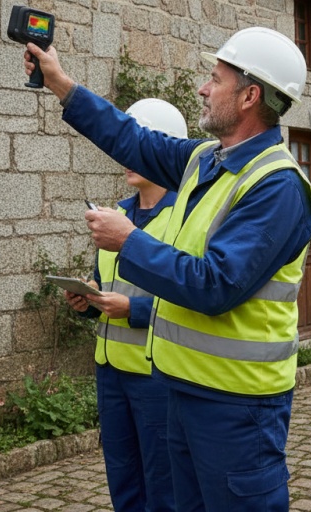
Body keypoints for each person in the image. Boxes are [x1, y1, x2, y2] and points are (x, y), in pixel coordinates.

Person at [25, 26, 311, 512]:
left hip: (237, 406)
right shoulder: (206, 161)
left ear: (250, 95)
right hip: (182, 390)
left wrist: (129, 242)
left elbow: (215, 285)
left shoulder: (277, 185)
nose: (203, 89)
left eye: (215, 79)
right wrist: (60, 82)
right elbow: (132, 139)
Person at [66, 98, 187, 512]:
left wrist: (132, 310)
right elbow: (107, 282)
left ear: (163, 149)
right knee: (122, 475)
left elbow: (196, 292)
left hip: (157, 374)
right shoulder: (115, 214)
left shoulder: (186, 218)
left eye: (137, 148)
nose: (127, 159)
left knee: (162, 480)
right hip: (111, 370)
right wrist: (89, 298)